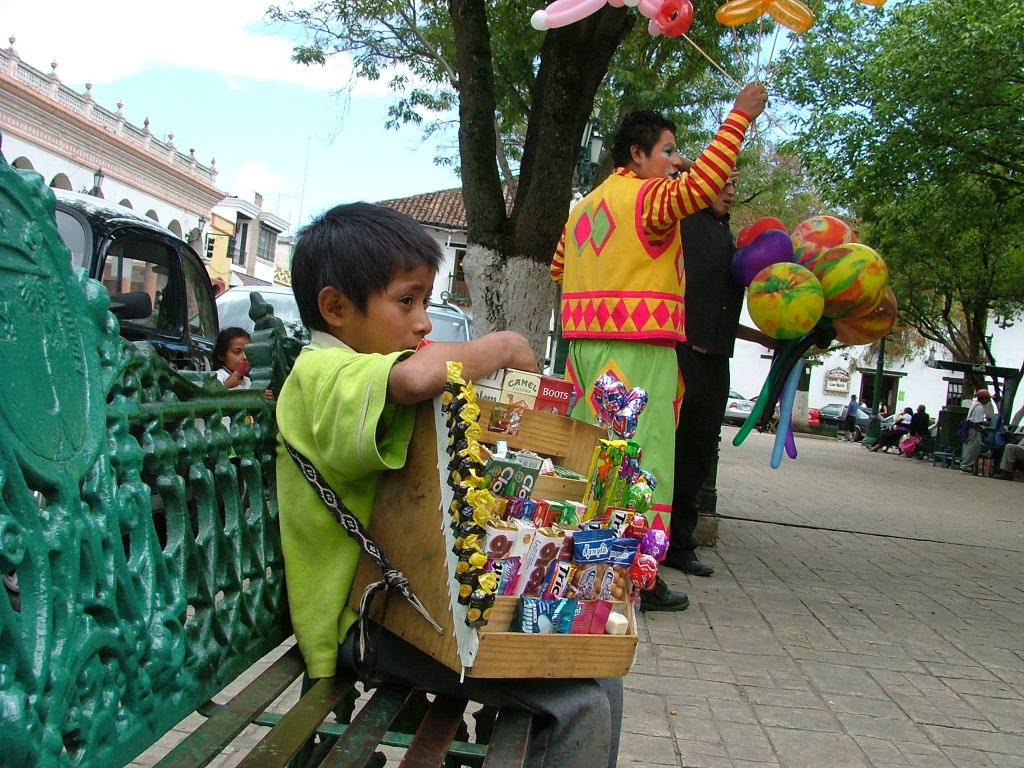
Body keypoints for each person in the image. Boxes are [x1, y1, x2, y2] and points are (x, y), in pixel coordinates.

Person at [276, 202, 623, 768]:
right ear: (336, 307)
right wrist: (507, 345)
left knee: (599, 668)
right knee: (579, 704)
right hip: (363, 617)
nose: (423, 323)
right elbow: (417, 376)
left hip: (409, 603)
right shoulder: (322, 371)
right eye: (406, 301)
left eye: (425, 302)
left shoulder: (360, 371)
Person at [551, 84, 767, 611]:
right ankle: (635, 575)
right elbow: (704, 184)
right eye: (668, 150)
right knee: (642, 461)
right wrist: (740, 115)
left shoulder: (585, 209)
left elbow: (561, 267)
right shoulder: (649, 200)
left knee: (593, 456)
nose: (676, 161)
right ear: (637, 154)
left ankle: (587, 562)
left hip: (584, 353)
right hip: (639, 350)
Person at [664, 170, 776, 578]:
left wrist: (762, 337)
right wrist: (702, 172)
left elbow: (722, 308)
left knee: (698, 455)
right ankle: (650, 541)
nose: (730, 191)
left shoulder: (729, 240)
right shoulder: (684, 222)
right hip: (679, 355)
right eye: (723, 183)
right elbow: (678, 171)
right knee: (666, 450)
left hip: (716, 362)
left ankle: (681, 544)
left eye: (734, 186)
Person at [214, 326, 275, 400]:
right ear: (222, 356)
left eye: (248, 352)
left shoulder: (249, 381)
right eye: (237, 352)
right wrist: (226, 385)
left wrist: (264, 397)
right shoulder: (216, 378)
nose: (245, 357)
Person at [960, 388, 995, 473]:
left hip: (969, 428)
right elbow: (978, 421)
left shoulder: (974, 404)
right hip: (974, 429)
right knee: (974, 447)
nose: (988, 400)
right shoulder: (980, 408)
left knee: (970, 447)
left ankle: (966, 464)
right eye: (988, 398)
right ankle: (966, 465)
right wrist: (987, 423)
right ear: (984, 398)